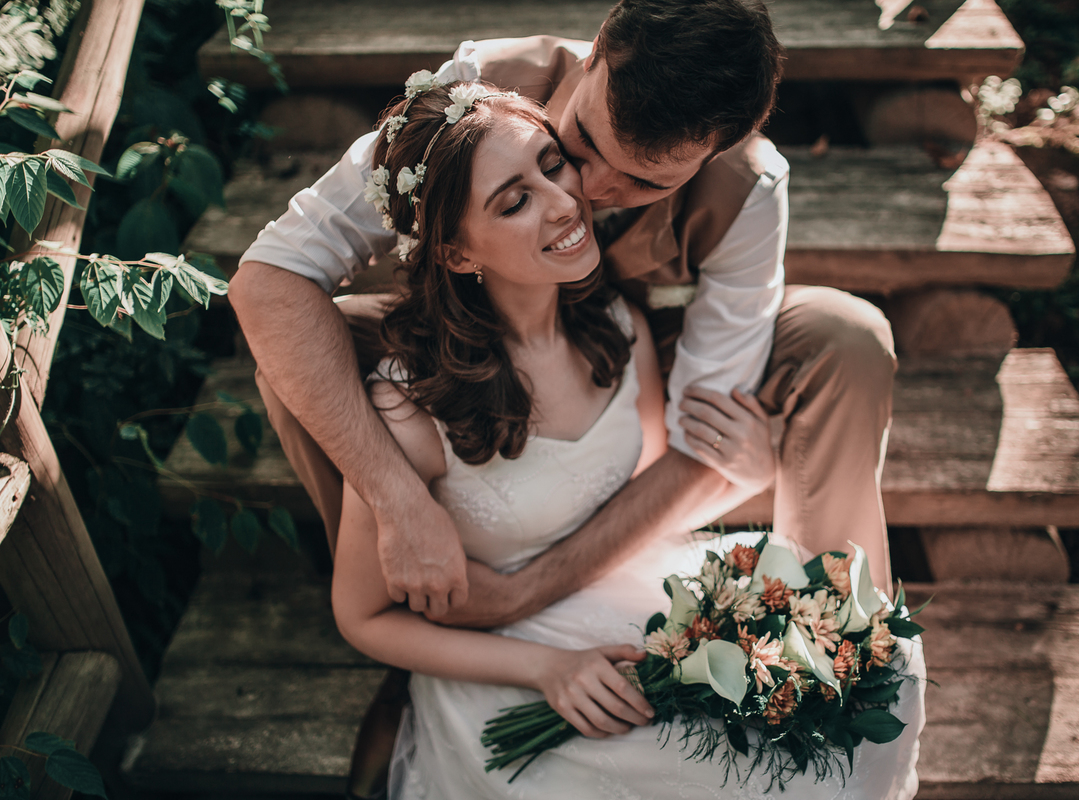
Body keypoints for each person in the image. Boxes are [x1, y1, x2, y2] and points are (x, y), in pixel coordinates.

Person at [330, 80, 924, 800]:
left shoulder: (617, 327)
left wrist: (750, 466)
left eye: (552, 165)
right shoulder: (407, 403)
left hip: (633, 597)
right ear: (457, 254)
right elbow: (363, 618)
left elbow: (642, 493)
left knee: (852, 690)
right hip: (506, 665)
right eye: (513, 202)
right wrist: (546, 670)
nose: (562, 202)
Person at [228, 0, 899, 628]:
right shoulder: (475, 90)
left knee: (846, 337)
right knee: (300, 344)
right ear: (596, 53)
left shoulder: (749, 187)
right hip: (475, 337)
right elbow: (268, 278)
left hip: (640, 360)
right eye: (582, 141)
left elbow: (704, 436)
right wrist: (393, 494)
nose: (590, 192)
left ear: (715, 151)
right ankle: (398, 593)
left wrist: (523, 594)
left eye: (645, 182)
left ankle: (832, 632)